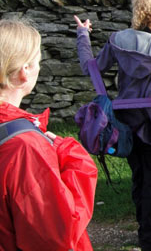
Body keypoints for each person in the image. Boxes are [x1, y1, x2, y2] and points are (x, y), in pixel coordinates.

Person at [75, 0, 151, 251]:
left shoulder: (119, 41)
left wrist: (82, 35)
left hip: (125, 126)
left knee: (141, 182)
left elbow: (90, 68)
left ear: (138, 12)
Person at [0, 19, 98, 251]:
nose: (39, 68)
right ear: (25, 71)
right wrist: (74, 157)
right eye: (37, 62)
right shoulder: (25, 148)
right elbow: (56, 235)